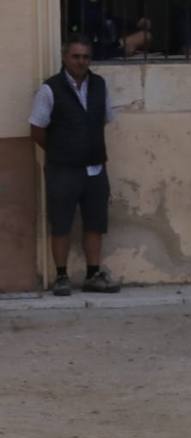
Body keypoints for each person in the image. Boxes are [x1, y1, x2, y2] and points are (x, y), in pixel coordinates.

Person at [29, 36, 120, 297]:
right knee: (61, 224)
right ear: (65, 58)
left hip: (95, 168)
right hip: (63, 169)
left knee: (95, 223)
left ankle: (93, 274)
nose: (81, 61)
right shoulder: (50, 89)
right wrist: (60, 151)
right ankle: (61, 277)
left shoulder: (100, 85)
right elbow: (37, 129)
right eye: (76, 56)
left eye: (85, 57)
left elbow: (102, 120)